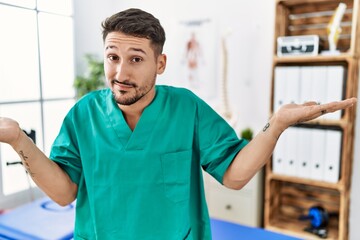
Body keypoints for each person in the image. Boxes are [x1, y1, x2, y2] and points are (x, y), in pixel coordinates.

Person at [0, 8, 356, 240]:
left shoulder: (187, 108)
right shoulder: (84, 115)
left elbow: (234, 176)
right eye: (112, 57)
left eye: (135, 59)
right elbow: (64, 193)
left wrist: (276, 124)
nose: (120, 73)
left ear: (160, 63)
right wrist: (18, 138)